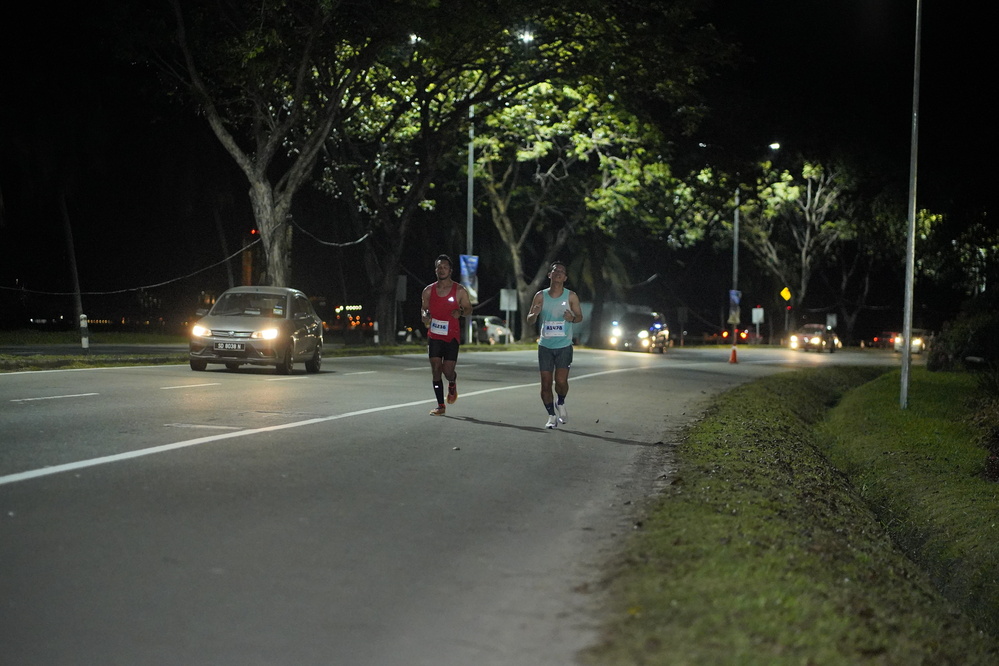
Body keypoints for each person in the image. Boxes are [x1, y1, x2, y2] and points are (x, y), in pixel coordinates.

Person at [526, 261, 583, 429]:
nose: (558, 273)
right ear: (549, 275)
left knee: (561, 382)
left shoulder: (571, 296)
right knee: (545, 383)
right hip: (545, 346)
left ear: (565, 278)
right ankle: (551, 416)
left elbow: (579, 317)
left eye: (562, 271)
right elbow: (529, 320)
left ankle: (561, 401)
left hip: (564, 345)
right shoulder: (540, 296)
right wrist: (534, 314)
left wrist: (572, 318)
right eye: (555, 270)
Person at [421, 254, 472, 416]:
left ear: (450, 270)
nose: (441, 270)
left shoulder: (459, 290)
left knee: (447, 371)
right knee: (436, 369)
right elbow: (424, 309)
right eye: (439, 267)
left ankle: (452, 382)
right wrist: (425, 316)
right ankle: (440, 405)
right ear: (435, 270)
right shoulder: (428, 291)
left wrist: (460, 312)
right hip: (434, 335)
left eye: (445, 267)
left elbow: (469, 309)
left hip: (451, 336)